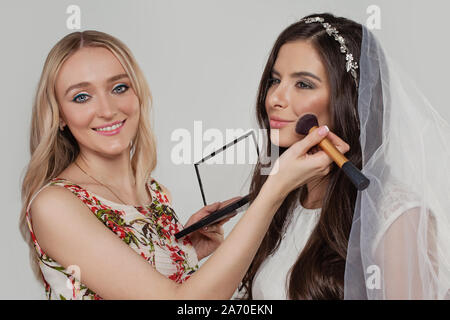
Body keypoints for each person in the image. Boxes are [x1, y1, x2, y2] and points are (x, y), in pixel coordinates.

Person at [19, 30, 349, 300]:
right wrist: (273, 191)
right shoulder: (55, 205)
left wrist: (187, 252)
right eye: (81, 97)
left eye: (119, 87)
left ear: (137, 94)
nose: (106, 109)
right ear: (59, 115)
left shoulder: (154, 194)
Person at [239, 13, 450, 299]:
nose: (275, 98)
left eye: (303, 84)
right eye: (275, 80)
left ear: (349, 100)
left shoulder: (397, 217)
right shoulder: (284, 200)